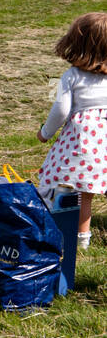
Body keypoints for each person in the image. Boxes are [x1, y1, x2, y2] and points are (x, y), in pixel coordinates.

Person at [37, 13, 107, 251]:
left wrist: (45, 132)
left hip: (84, 141)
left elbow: (61, 110)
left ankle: (80, 240)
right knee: (91, 190)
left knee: (80, 192)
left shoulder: (72, 76)